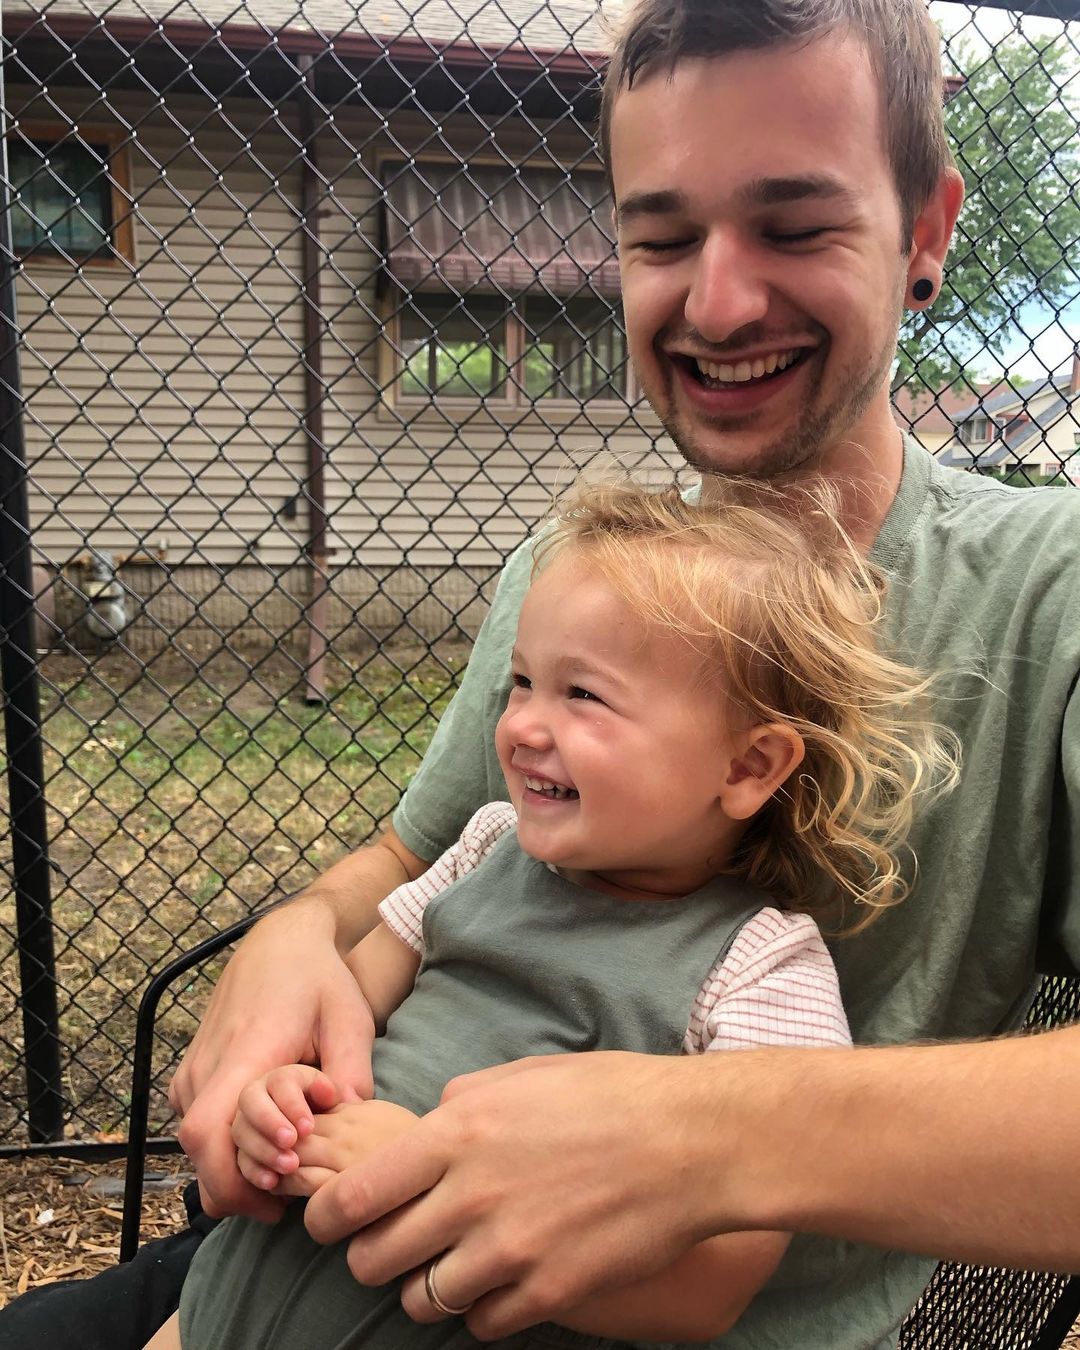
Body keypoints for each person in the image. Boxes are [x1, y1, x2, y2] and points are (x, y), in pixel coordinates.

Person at [4, 0, 1079, 1346]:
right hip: (298, 1254)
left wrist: (707, 1141)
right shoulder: (575, 575)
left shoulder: (1050, 589)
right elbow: (416, 863)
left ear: (926, 232)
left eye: (797, 226)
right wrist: (294, 937)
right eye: (662, 237)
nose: (718, 301)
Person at [143, 476, 955, 1349]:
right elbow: (335, 1030)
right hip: (221, 1308)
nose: (523, 726)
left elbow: (705, 1294)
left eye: (584, 695)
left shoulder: (760, 970)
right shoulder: (484, 848)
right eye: (523, 681)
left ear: (747, 767)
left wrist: (417, 1184)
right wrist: (278, 1104)